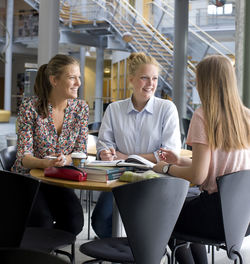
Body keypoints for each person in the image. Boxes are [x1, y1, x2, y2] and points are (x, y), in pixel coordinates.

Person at [153, 54, 250, 264]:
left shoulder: (204, 115)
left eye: (197, 79)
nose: (195, 84)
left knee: (162, 215)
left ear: (205, 82)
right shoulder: (246, 116)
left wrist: (166, 168)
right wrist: (179, 160)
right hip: (241, 216)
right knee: (184, 207)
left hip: (214, 214)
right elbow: (223, 168)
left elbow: (199, 175)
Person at [92, 52, 181, 238]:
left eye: (154, 78)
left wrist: (125, 156)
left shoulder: (166, 108)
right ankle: (127, 255)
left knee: (143, 222)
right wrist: (105, 153)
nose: (150, 84)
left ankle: (138, 253)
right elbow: (104, 144)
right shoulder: (114, 109)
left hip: (155, 179)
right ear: (131, 80)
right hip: (120, 178)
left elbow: (169, 152)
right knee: (100, 220)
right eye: (144, 78)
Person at [12, 54, 89, 236]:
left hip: (58, 179)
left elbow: (80, 151)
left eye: (79, 77)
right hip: (28, 179)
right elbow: (24, 158)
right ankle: (36, 250)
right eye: (72, 77)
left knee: (75, 221)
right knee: (42, 222)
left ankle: (46, 249)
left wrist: (66, 159)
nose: (78, 82)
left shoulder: (81, 109)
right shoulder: (30, 107)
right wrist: (46, 163)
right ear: (54, 80)